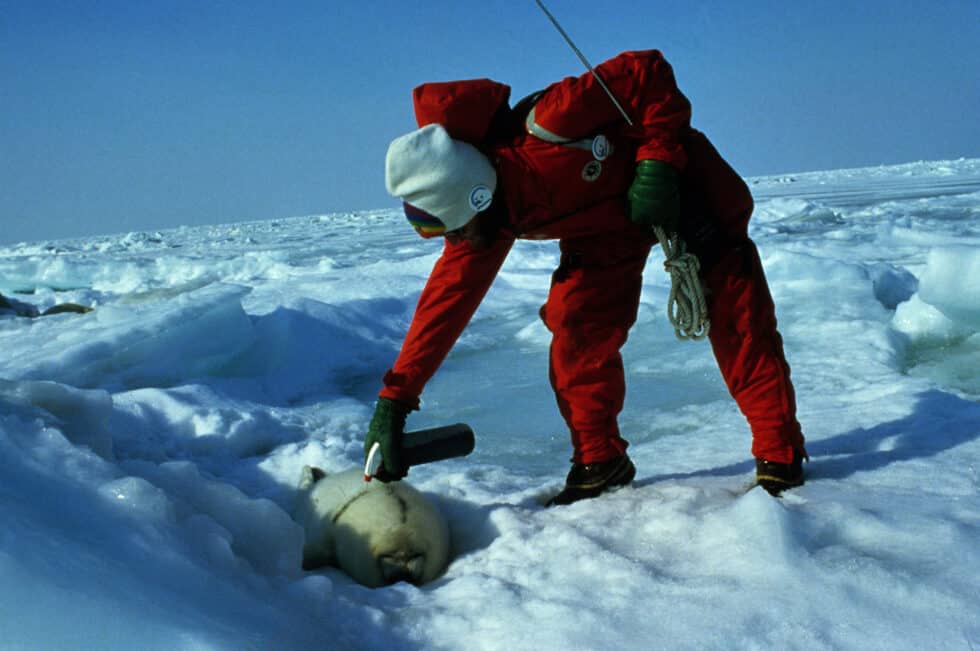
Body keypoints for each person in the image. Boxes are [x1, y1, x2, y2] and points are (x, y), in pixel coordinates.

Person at [364, 49, 807, 504]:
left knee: (738, 321)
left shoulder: (553, 122)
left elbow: (647, 71)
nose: (454, 240)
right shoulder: (487, 223)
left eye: (450, 227)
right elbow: (443, 308)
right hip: (602, 232)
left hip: (686, 191)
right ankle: (600, 462)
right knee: (575, 331)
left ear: (472, 197)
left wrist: (657, 161)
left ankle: (779, 456)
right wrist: (395, 400)